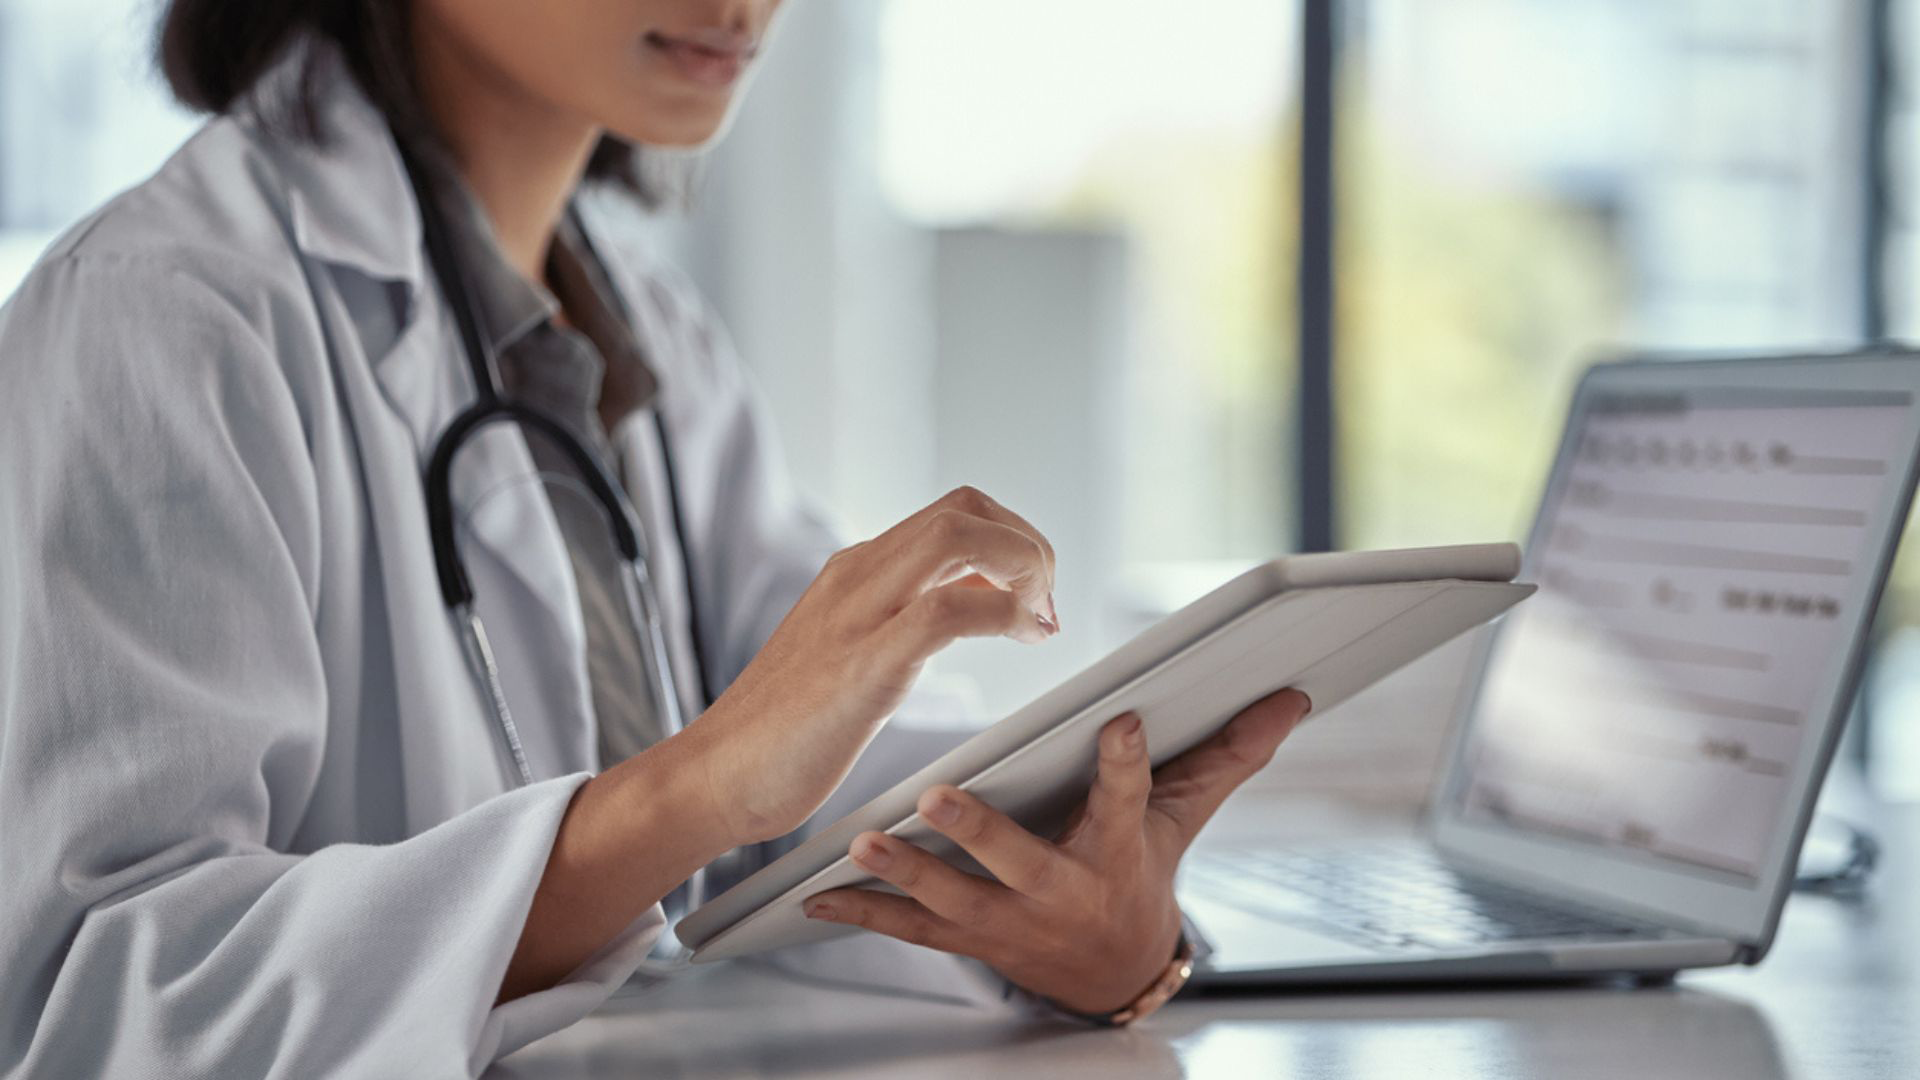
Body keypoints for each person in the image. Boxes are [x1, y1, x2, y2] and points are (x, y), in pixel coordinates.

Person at [0, 0, 1311, 1074]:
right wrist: (694, 790)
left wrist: (1102, 933)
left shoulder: (644, 332)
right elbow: (94, 992)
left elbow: (816, 814)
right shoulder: (163, 316)